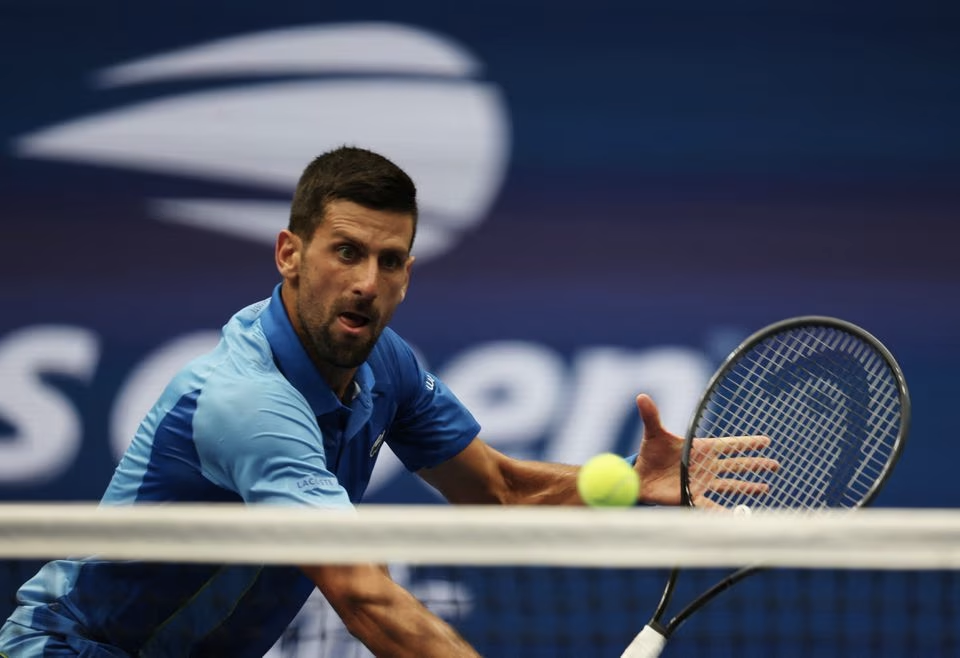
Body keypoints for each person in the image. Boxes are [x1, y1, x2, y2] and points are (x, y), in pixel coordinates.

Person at [0, 146, 775, 657]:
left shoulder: (385, 364)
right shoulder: (248, 402)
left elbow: (499, 492)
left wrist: (626, 486)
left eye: (391, 260)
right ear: (289, 253)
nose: (368, 283)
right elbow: (363, 596)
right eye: (347, 252)